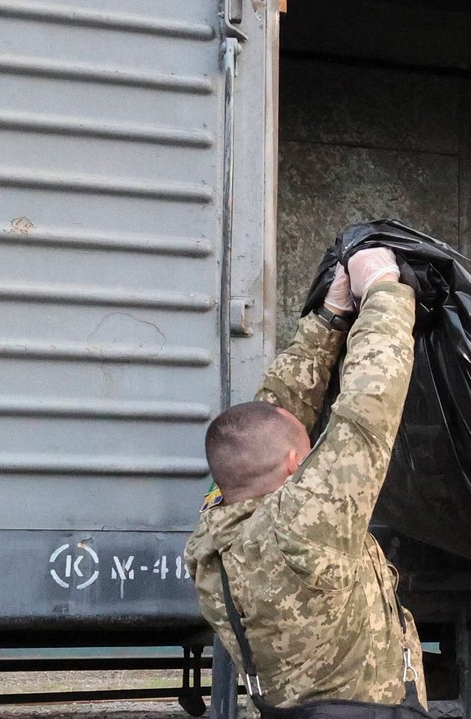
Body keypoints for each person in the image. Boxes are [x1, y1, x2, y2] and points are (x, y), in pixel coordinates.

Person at [185, 247, 428, 711]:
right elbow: (368, 406)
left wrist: (330, 319)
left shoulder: (215, 532)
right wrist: (383, 290)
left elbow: (268, 421)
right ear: (296, 466)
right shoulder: (301, 528)